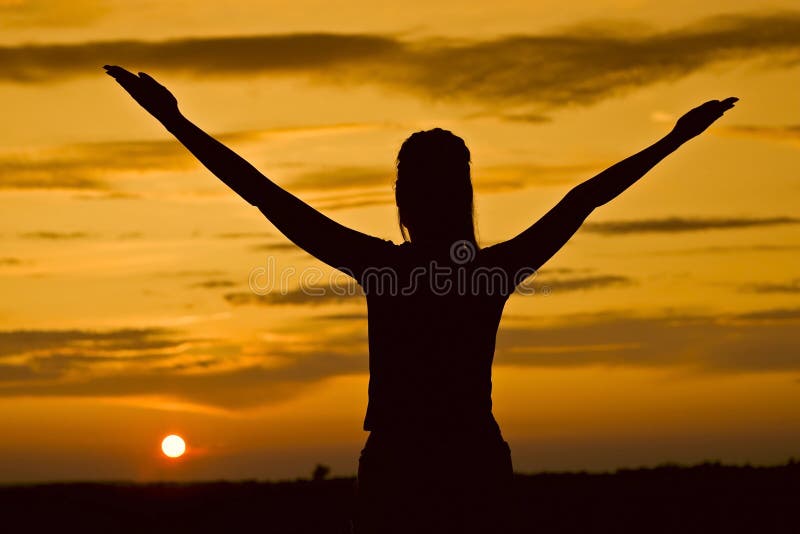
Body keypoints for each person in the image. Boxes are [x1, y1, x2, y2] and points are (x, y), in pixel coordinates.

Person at [103, 65, 737, 533]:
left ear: (404, 200)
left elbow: (267, 196)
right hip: (470, 463)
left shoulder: (386, 268)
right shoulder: (487, 272)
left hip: (403, 468)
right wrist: (674, 139)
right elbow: (583, 198)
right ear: (461, 195)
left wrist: (175, 122)